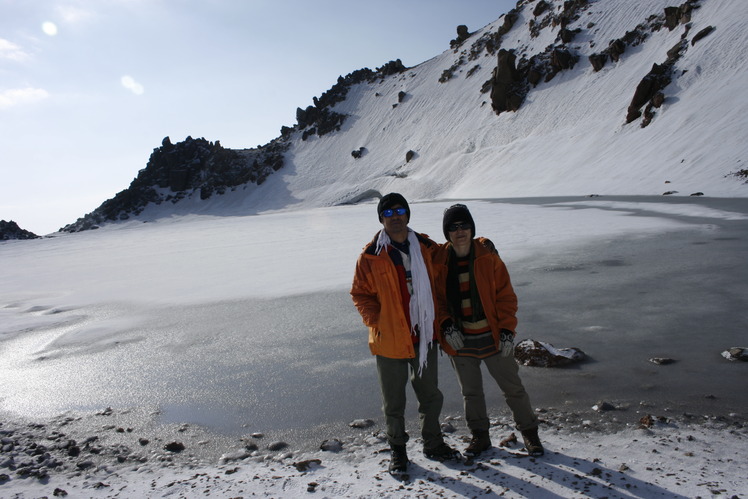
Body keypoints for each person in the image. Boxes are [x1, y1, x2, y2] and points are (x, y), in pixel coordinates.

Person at [351, 193, 460, 473]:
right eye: (388, 213)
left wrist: (483, 245)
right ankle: (398, 451)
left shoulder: (426, 247)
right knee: (394, 401)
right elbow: (360, 293)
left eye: (400, 211)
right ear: (381, 219)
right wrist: (376, 321)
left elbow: (456, 254)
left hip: (424, 335)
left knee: (431, 395)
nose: (395, 216)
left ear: (408, 215)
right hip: (390, 340)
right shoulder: (371, 255)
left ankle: (433, 443)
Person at [435, 203, 544, 457]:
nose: (459, 231)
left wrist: (507, 330)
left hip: (493, 337)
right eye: (453, 227)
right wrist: (445, 323)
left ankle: (530, 434)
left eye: (464, 225)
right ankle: (480, 437)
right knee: (471, 393)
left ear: (472, 228)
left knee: (513, 388)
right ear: (447, 232)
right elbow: (437, 299)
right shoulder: (439, 260)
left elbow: (506, 297)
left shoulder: (487, 256)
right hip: (460, 340)